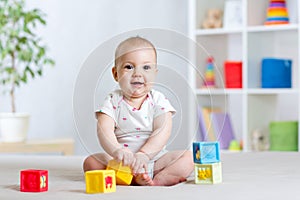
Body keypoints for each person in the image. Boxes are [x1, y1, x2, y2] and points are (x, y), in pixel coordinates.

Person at [83, 36, 193, 186]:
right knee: (91, 163)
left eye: (146, 67)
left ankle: (158, 179)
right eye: (129, 67)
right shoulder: (112, 100)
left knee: (188, 158)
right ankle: (129, 177)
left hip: (154, 161)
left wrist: (144, 155)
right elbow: (104, 130)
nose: (137, 73)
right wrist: (117, 151)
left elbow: (163, 130)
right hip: (122, 162)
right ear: (116, 74)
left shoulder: (158, 100)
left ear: (155, 73)